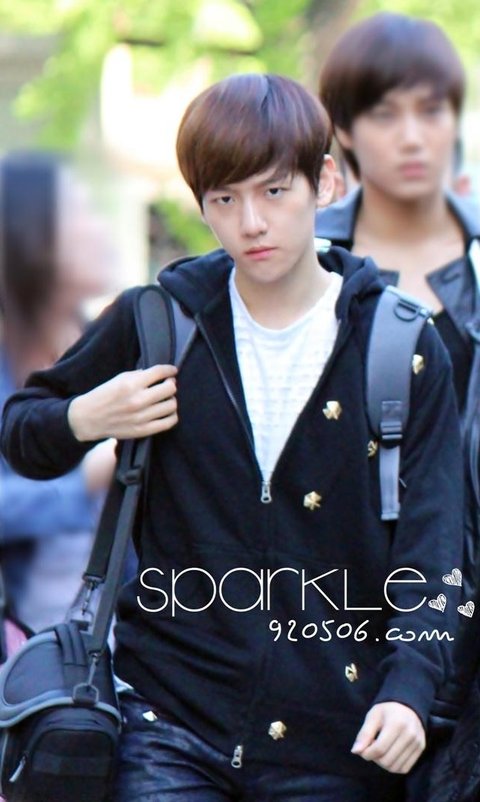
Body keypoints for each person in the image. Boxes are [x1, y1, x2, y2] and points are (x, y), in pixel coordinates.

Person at [0, 74, 464, 801]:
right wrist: (87, 417)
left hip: (338, 736)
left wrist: (410, 688)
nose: (251, 223)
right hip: (168, 724)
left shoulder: (399, 343)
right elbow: (22, 431)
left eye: (274, 192)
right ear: (201, 206)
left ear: (325, 182)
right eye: (224, 199)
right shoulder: (161, 319)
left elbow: (434, 551)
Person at [316, 13, 480, 799]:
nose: (413, 136)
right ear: (345, 131)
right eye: (385, 114)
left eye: (432, 110)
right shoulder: (298, 264)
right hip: (336, 625)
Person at [0, 151, 116, 633]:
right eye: (80, 213)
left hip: (131, 639)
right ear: (31, 236)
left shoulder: (110, 346)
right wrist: (85, 478)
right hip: (30, 648)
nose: (100, 229)